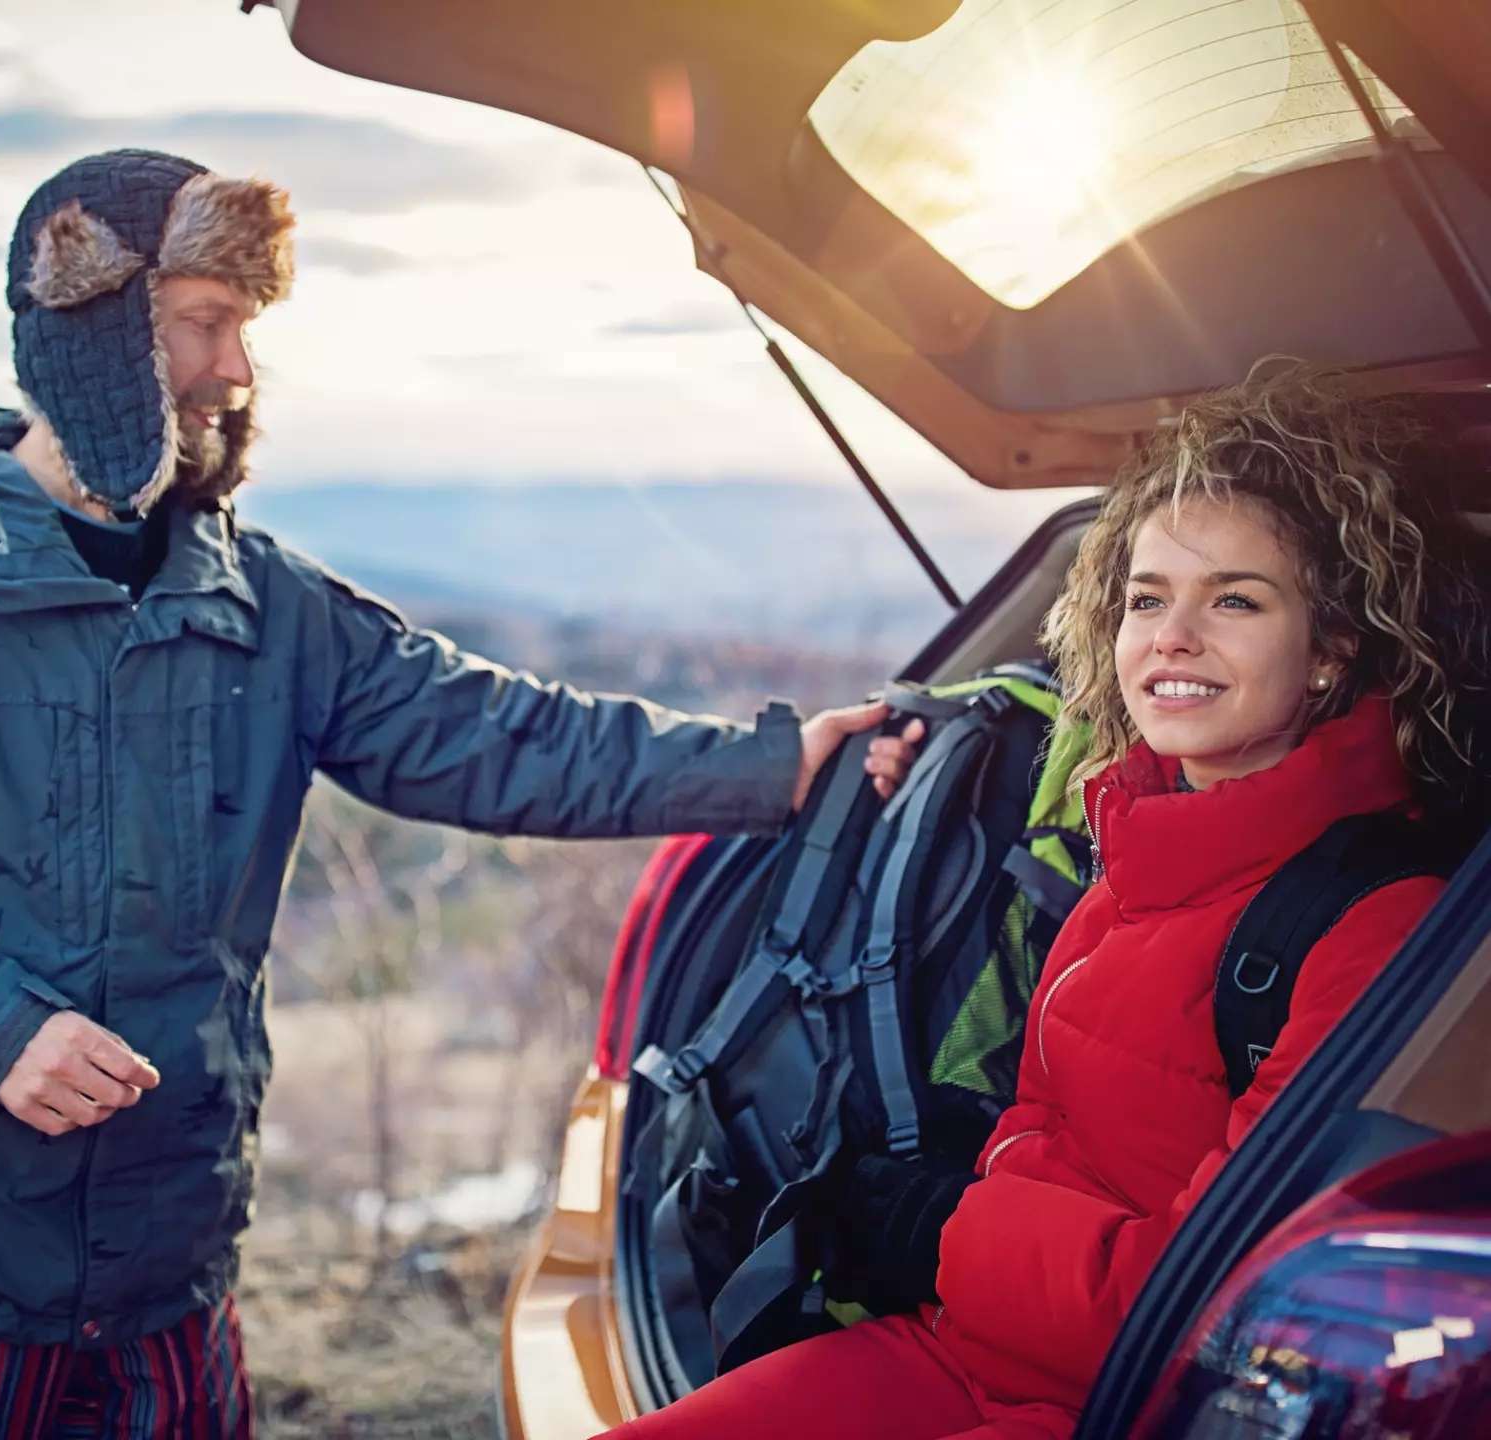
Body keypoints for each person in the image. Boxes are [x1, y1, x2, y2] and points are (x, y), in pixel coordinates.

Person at [0, 149, 917, 1439]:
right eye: (205, 323)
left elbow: (513, 739)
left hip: (169, 1272)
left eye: (244, 329)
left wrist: (774, 767)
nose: (237, 371)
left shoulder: (269, 608)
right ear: (93, 329)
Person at [597, 363, 1487, 1440]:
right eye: (1146, 598)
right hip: (954, 1343)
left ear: (1329, 652)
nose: (1170, 636)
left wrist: (944, 1235)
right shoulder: (1126, 853)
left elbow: (1202, 1317)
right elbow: (1036, 1133)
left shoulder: (1374, 926)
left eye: (1234, 601)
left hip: (1102, 1407)